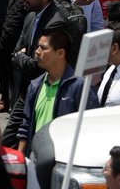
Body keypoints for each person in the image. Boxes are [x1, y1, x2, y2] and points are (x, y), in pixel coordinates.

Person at [18, 27, 96, 155]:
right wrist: (20, 159)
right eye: (37, 47)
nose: (37, 52)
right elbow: (25, 127)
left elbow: (91, 128)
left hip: (64, 160)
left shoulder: (80, 87)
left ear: (60, 53)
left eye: (43, 48)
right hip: (36, 159)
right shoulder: (35, 86)